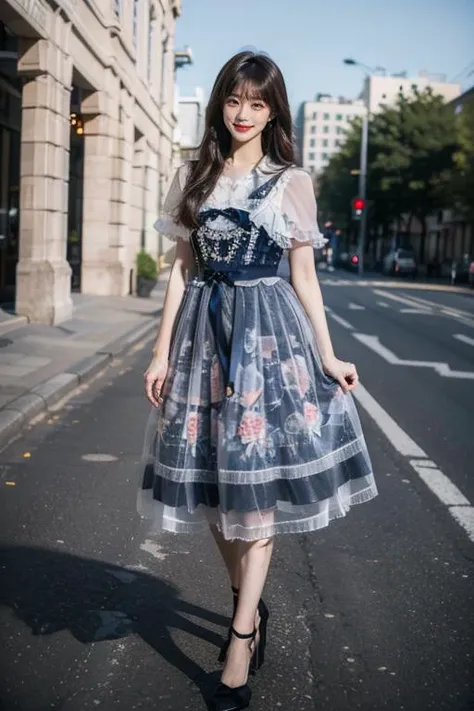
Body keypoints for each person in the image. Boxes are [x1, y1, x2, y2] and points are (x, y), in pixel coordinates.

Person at [139, 51, 377, 711]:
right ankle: (252, 598)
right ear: (221, 102)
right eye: (234, 100)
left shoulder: (289, 180)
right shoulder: (193, 172)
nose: (244, 114)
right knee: (216, 493)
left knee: (257, 493)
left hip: (267, 343)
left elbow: (304, 277)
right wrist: (160, 354)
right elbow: (181, 271)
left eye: (258, 103)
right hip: (202, 339)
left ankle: (241, 633)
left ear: (273, 110)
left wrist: (329, 357)